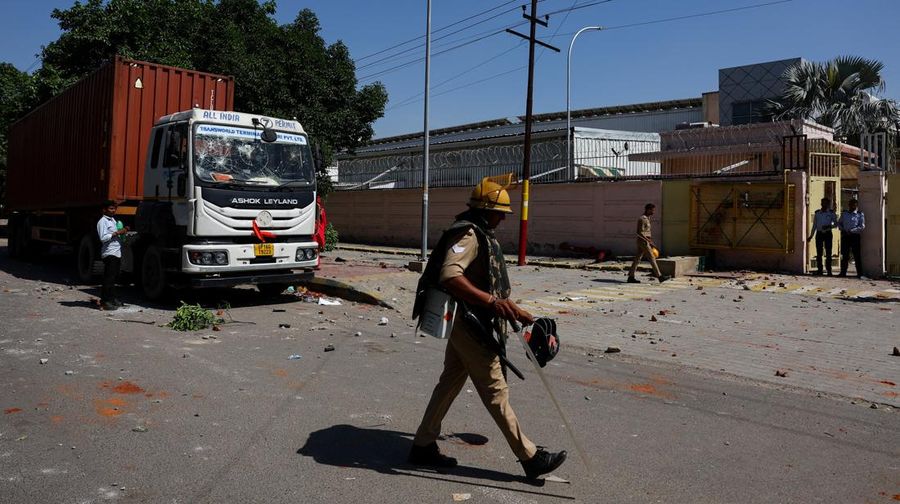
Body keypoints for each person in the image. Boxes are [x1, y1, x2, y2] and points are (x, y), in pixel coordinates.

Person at [409, 175, 567, 480]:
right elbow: (450, 276)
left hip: (468, 320)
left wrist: (515, 311)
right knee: (496, 391)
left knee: (450, 382)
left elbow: (486, 282)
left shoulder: (479, 230)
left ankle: (423, 444)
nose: (502, 219)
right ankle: (530, 456)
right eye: (500, 213)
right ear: (486, 210)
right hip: (470, 323)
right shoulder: (468, 233)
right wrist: (493, 303)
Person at [96, 200, 129, 310]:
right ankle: (105, 301)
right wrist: (117, 233)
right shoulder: (102, 221)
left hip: (116, 252)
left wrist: (123, 231)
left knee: (114, 277)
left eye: (114, 208)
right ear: (104, 210)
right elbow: (103, 237)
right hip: (109, 253)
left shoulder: (113, 220)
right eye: (110, 208)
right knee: (108, 278)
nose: (113, 210)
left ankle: (112, 299)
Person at [627, 203, 670, 283]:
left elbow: (646, 231)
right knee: (652, 258)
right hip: (643, 242)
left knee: (637, 259)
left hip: (645, 241)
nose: (653, 212)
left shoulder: (648, 218)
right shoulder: (642, 219)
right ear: (648, 210)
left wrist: (650, 240)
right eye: (652, 210)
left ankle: (631, 276)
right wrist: (648, 241)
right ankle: (660, 277)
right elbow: (639, 232)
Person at [807, 197, 837, 275]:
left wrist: (829, 226)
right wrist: (811, 236)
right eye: (823, 203)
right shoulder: (817, 213)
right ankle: (820, 270)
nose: (824, 204)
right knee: (819, 252)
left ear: (828, 204)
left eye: (826, 203)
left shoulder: (831, 213)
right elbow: (814, 226)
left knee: (828, 252)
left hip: (827, 234)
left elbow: (836, 224)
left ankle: (829, 270)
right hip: (819, 234)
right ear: (821, 203)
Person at [837, 198, 865, 277]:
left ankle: (859, 273)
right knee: (845, 255)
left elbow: (862, 226)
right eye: (851, 204)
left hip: (854, 236)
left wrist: (852, 230)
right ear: (849, 205)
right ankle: (843, 272)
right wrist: (843, 229)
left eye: (854, 205)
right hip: (845, 235)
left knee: (857, 255)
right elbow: (839, 223)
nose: (852, 206)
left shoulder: (860, 214)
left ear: (856, 206)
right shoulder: (845, 214)